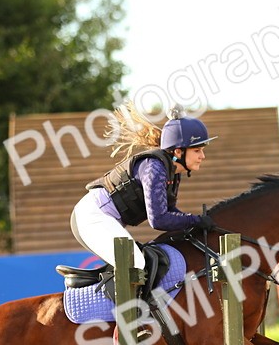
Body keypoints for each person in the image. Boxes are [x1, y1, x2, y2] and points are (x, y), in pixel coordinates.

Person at [71, 105, 216, 276]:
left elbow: (170, 211)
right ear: (178, 151)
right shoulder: (154, 168)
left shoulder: (172, 172)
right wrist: (195, 221)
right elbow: (159, 219)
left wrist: (195, 225)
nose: (202, 156)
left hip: (105, 218)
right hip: (92, 217)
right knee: (136, 264)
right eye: (197, 150)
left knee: (144, 262)